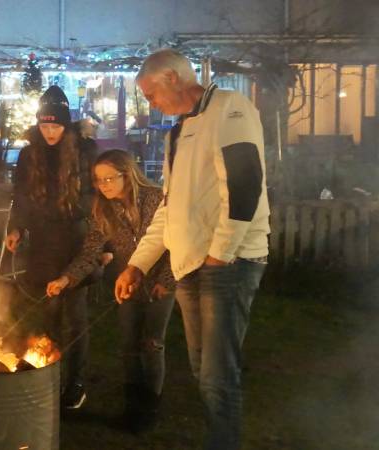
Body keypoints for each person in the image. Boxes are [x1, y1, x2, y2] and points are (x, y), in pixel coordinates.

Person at [115, 48, 270, 450]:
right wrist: (137, 265)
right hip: (191, 267)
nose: (150, 103)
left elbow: (243, 186)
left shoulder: (231, 110)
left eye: (150, 94)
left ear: (172, 77)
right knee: (204, 371)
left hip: (228, 263)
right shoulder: (177, 133)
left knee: (218, 374)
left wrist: (220, 254)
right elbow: (169, 209)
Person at [46, 149, 175, 433]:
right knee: (129, 344)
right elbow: (91, 249)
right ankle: (132, 407)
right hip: (126, 283)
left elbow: (173, 242)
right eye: (99, 180)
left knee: (152, 343)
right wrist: (67, 279)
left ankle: (150, 407)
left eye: (109, 179)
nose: (103, 186)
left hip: (158, 282)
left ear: (127, 175)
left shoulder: (155, 199)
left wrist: (166, 280)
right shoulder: (102, 209)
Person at [4, 85, 97, 410]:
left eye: (55, 125)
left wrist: (99, 239)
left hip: (74, 240)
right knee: (49, 314)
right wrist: (17, 226)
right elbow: (22, 195)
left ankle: (76, 381)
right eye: (44, 126)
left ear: (66, 124)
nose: (50, 132)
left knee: (75, 316)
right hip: (42, 244)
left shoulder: (84, 152)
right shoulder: (30, 154)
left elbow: (94, 198)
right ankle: (50, 374)